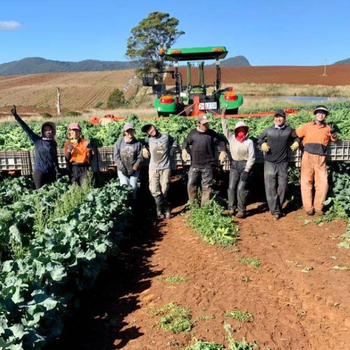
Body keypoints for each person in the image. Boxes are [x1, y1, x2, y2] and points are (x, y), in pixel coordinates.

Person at [257, 109, 300, 220]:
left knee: (283, 186)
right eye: (276, 117)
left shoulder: (289, 130)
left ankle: (278, 207)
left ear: (284, 118)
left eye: (280, 117)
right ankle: (275, 210)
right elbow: (259, 138)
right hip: (270, 162)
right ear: (274, 118)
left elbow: (297, 137)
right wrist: (262, 143)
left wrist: (296, 142)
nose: (278, 119)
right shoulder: (269, 130)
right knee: (270, 187)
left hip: (283, 162)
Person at [296, 105, 337, 216]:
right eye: (319, 112)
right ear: (315, 114)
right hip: (307, 156)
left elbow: (334, 139)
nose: (321, 114)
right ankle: (308, 207)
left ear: (325, 115)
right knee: (306, 182)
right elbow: (296, 134)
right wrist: (296, 142)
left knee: (323, 183)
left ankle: (318, 207)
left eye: (323, 113)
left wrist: (334, 133)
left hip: (321, 158)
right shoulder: (307, 126)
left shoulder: (327, 128)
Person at [182, 114, 227, 207]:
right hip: (195, 164)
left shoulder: (211, 133)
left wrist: (223, 151)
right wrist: (183, 149)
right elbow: (186, 141)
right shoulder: (193, 133)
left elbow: (221, 141)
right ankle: (194, 206)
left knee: (207, 187)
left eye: (207, 124)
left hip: (207, 165)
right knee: (191, 186)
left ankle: (204, 208)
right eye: (204, 124)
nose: (206, 126)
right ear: (198, 123)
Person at [11, 105, 60, 189]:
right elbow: (26, 129)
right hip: (39, 173)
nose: (48, 131)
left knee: (52, 195)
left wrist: (58, 171)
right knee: (40, 194)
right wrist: (16, 116)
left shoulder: (53, 143)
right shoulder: (37, 140)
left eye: (49, 130)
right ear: (42, 131)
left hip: (51, 173)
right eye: (45, 130)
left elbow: (55, 158)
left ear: (52, 131)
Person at [221, 115, 255, 218]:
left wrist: (247, 170)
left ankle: (242, 210)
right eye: (239, 129)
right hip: (234, 165)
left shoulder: (249, 142)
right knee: (231, 187)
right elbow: (225, 129)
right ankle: (231, 208)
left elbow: (252, 157)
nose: (241, 131)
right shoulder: (231, 138)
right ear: (236, 131)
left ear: (246, 130)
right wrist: (223, 117)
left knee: (241, 188)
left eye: (243, 129)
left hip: (244, 165)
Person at [141, 123, 178, 219]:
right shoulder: (147, 139)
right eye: (148, 131)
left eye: (150, 128)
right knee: (154, 190)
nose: (150, 131)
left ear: (154, 127)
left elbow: (175, 140)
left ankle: (159, 209)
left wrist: (173, 148)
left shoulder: (166, 136)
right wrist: (143, 148)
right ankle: (166, 206)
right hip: (153, 168)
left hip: (165, 167)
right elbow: (139, 143)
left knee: (164, 190)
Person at [114, 123, 142, 200]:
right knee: (124, 186)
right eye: (128, 131)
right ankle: (125, 205)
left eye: (131, 130)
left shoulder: (138, 143)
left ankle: (133, 204)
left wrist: (135, 167)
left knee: (133, 187)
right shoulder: (119, 142)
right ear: (125, 132)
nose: (130, 133)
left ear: (134, 131)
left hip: (134, 169)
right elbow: (116, 157)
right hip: (122, 169)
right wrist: (122, 168)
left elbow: (140, 157)